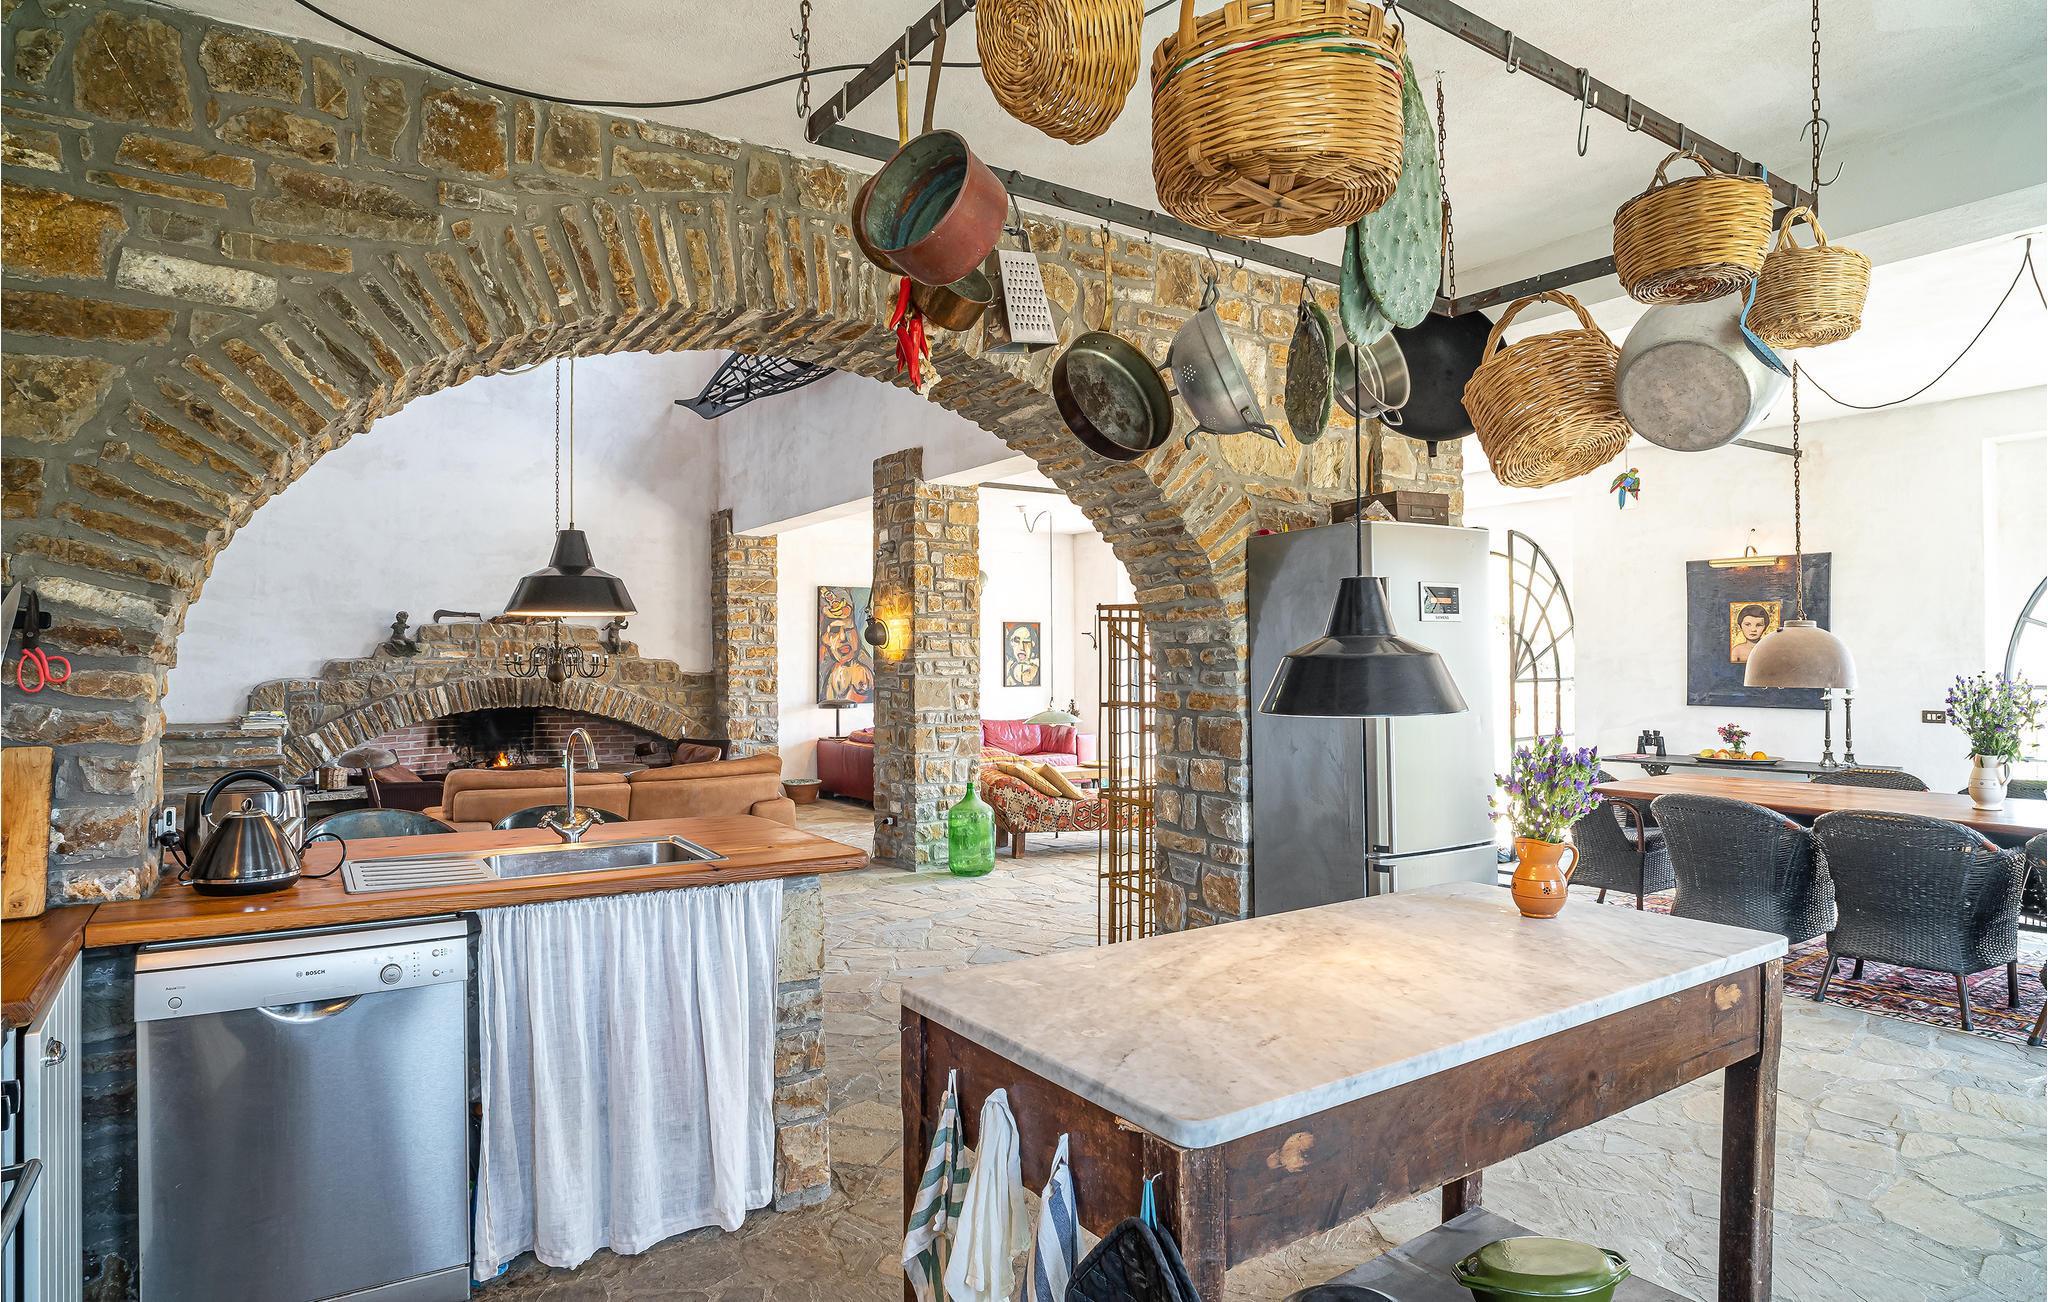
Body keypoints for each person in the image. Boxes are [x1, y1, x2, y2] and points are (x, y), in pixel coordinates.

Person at [819, 589, 873, 703]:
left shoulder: (862, 672)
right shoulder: (828, 673)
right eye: (834, 630)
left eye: (848, 629)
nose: (843, 638)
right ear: (825, 639)